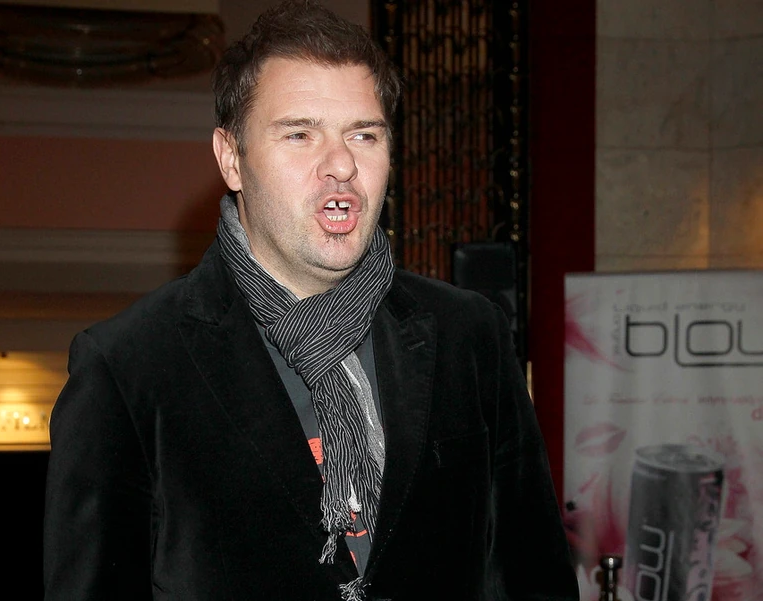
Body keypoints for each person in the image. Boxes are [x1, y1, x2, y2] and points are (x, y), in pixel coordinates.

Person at [42, 2, 579, 600]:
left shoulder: (468, 336)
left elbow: (534, 577)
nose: (342, 164)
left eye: (364, 134)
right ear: (231, 159)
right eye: (300, 134)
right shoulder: (128, 368)